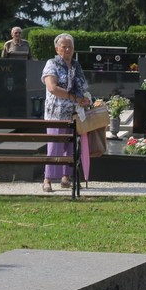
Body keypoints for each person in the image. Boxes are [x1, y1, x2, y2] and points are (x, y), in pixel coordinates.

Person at [40, 33, 91, 192]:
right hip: (56, 113)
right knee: (54, 146)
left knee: (70, 147)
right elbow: (52, 88)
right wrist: (73, 96)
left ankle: (65, 178)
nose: (68, 49)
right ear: (57, 49)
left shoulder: (76, 65)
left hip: (74, 113)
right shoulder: (51, 64)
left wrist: (85, 99)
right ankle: (47, 180)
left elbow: (83, 87)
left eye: (70, 46)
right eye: (64, 46)